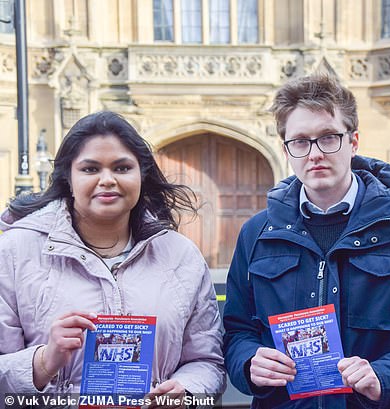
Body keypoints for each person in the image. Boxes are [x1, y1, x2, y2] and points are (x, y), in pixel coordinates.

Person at [222, 74, 390, 408]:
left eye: (329, 138)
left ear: (353, 142)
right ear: (287, 149)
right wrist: (250, 362)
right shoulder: (257, 233)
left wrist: (386, 376)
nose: (315, 153)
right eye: (301, 141)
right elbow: (236, 331)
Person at [0, 111, 226, 399]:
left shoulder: (181, 256)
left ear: (141, 175)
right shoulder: (15, 252)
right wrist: (43, 362)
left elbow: (207, 362)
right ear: (68, 177)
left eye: (121, 168)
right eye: (90, 169)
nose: (107, 180)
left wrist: (188, 390)